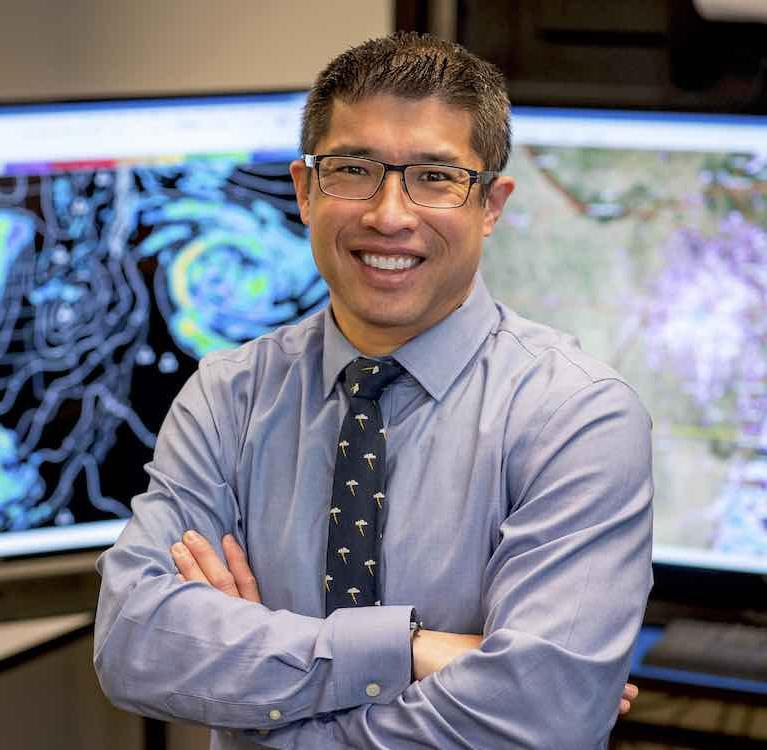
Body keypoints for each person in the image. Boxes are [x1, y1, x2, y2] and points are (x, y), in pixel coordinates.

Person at [94, 32, 652, 749]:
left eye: (434, 176)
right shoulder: (227, 398)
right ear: (303, 189)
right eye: (353, 169)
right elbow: (136, 646)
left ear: (490, 204)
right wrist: (408, 649)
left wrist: (265, 704)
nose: (389, 214)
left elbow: (541, 716)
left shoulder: (576, 417)